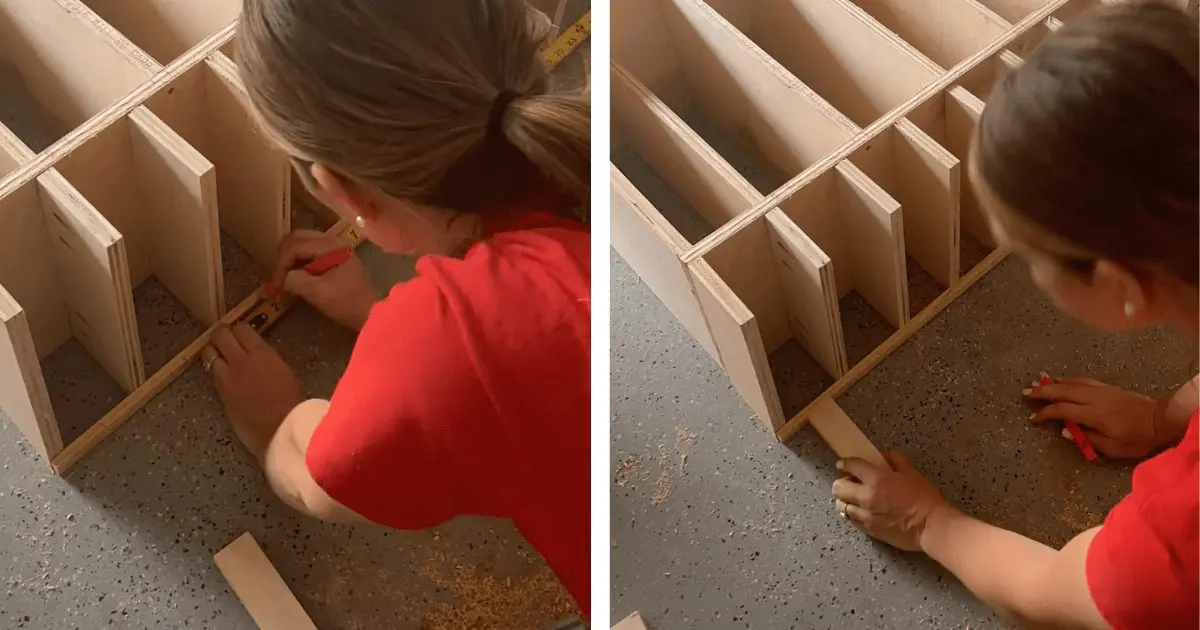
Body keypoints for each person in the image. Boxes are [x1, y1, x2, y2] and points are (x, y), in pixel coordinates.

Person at [196, 0, 591, 618]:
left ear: (341, 190)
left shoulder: (461, 351)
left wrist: (274, 427)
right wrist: (388, 316)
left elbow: (321, 480)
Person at [830, 2, 1197, 628]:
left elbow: (1060, 591)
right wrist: (1162, 418)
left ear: (1120, 287)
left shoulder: (1176, 552)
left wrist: (928, 522)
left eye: (1029, 255)